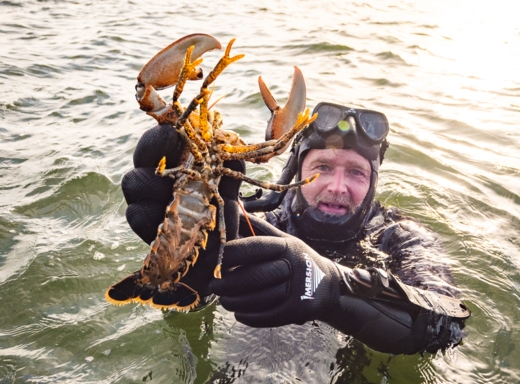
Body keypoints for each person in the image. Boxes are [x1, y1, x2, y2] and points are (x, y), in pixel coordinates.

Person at [121, 102, 469, 355]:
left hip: (348, 373)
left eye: (357, 173)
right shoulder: (258, 222)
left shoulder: (400, 237)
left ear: (374, 181)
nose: (336, 186)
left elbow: (448, 324)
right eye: (322, 167)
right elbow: (199, 302)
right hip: (253, 359)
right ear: (296, 170)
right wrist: (185, 258)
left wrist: (333, 286)